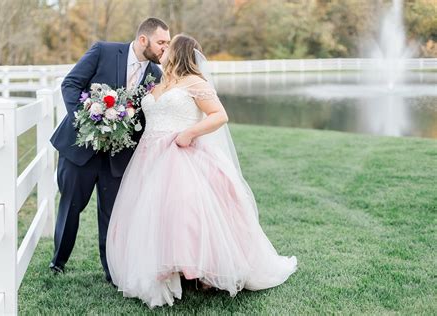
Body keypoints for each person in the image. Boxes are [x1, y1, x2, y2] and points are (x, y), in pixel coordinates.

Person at [106, 34, 297, 308]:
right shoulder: (158, 83)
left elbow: (220, 115)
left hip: (180, 154)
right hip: (148, 158)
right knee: (151, 213)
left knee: (184, 212)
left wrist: (190, 133)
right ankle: (162, 269)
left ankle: (198, 269)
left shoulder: (194, 82)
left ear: (178, 52)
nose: (162, 49)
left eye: (167, 46)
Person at [49, 17, 170, 284]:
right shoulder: (102, 51)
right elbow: (70, 85)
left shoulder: (155, 75)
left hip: (118, 157)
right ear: (143, 40)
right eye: (161, 42)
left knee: (113, 214)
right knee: (70, 206)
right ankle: (58, 262)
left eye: (167, 43)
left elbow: (146, 117)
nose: (165, 48)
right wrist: (90, 120)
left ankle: (111, 270)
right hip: (81, 147)